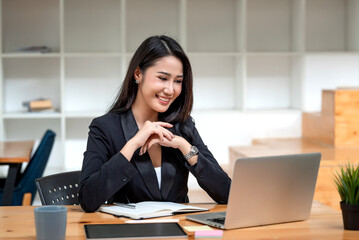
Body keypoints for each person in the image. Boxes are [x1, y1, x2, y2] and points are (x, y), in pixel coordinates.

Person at [79, 35, 231, 212]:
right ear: (138, 74)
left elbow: (227, 193)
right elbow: (88, 199)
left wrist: (184, 146)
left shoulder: (183, 125)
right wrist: (133, 144)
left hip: (178, 232)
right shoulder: (105, 128)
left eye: (178, 81)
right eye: (163, 78)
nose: (170, 90)